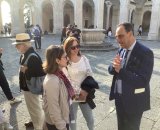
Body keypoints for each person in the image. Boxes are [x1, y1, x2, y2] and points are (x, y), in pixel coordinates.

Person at [108, 22, 154, 130]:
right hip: (119, 99)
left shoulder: (146, 53)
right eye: (116, 37)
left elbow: (143, 81)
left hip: (134, 101)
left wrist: (121, 71)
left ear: (130, 33)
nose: (118, 40)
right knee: (121, 127)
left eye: (121, 36)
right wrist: (113, 67)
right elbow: (113, 69)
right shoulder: (121, 49)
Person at [12, 33, 45, 130]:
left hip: (31, 88)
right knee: (32, 107)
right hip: (27, 87)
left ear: (24, 45)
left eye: (17, 45)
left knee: (35, 108)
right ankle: (33, 121)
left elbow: (41, 73)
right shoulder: (24, 54)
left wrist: (26, 70)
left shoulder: (32, 56)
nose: (16, 47)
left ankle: (38, 126)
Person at [63, 37, 94, 130]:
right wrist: (79, 92)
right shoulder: (66, 62)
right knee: (73, 121)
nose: (76, 49)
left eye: (78, 46)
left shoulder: (84, 59)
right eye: (73, 47)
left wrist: (85, 91)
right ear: (68, 48)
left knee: (90, 119)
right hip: (72, 96)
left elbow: (90, 74)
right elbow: (67, 80)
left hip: (85, 94)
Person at [42, 45, 75, 130]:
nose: (67, 59)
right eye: (65, 57)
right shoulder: (52, 81)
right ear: (57, 60)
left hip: (63, 118)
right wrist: (62, 126)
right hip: (56, 125)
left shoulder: (60, 73)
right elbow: (53, 108)